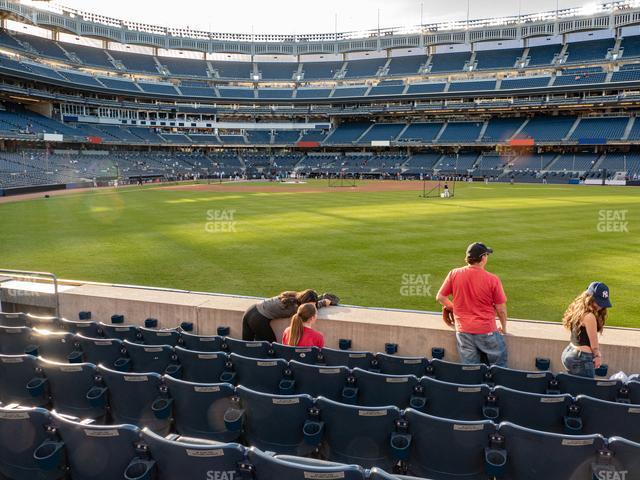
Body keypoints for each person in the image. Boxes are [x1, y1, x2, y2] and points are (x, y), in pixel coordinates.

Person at [436, 242, 508, 366]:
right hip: (487, 331)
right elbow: (501, 310)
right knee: (500, 370)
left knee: (471, 372)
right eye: (486, 255)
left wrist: (455, 308)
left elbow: (440, 297)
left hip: (463, 332)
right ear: (483, 257)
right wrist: (504, 328)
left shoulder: (454, 273)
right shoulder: (492, 279)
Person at [561, 282, 611, 378]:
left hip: (569, 352)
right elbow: (594, 345)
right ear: (589, 297)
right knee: (587, 390)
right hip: (581, 359)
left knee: (574, 388)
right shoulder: (590, 316)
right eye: (597, 302)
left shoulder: (578, 309)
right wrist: (597, 356)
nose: (600, 306)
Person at [242, 289, 330, 342]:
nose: (312, 306)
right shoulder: (294, 307)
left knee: (245, 346)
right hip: (258, 318)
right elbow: (307, 311)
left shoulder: (295, 296)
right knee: (271, 346)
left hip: (251, 311)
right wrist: (324, 303)